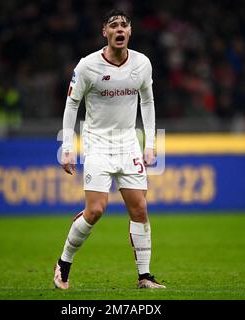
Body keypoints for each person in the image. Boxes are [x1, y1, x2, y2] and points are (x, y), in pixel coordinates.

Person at [54, 9, 165, 290]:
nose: (119, 30)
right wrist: (68, 147)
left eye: (123, 25)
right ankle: (64, 263)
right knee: (95, 211)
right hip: (98, 144)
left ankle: (145, 276)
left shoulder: (142, 64)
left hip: (129, 144)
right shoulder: (87, 66)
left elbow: (148, 103)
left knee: (139, 208)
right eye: (113, 25)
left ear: (130, 32)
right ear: (105, 32)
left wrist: (150, 145)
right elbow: (71, 105)